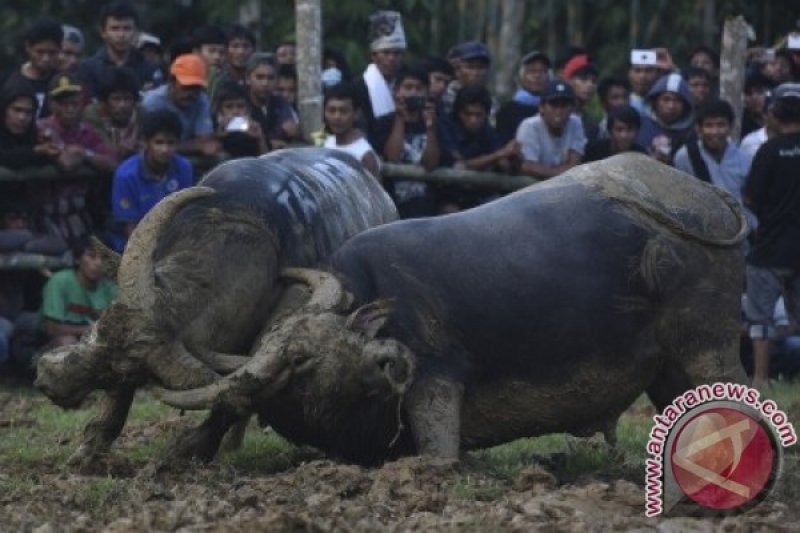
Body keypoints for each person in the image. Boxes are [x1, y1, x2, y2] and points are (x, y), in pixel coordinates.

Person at [742, 83, 800, 389]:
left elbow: (750, 199)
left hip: (770, 251)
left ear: (774, 113)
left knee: (760, 320)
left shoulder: (767, 151)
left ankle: (760, 378)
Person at [110, 110, 193, 252]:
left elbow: (185, 214)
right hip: (133, 245)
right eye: (158, 143)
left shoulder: (184, 167)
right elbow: (130, 228)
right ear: (146, 142)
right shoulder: (126, 175)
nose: (165, 149)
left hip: (173, 239)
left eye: (170, 143)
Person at [371, 65, 449, 217]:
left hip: (426, 207)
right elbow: (392, 158)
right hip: (392, 206)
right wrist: (400, 118)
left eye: (419, 88)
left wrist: (430, 128)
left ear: (426, 93)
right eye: (408, 87)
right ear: (397, 91)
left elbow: (431, 165)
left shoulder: (437, 124)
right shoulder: (384, 123)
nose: (413, 93)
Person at [673, 99, 754, 230]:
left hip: (738, 230)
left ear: (730, 127)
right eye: (709, 126)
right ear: (698, 129)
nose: (715, 132)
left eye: (721, 125)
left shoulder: (744, 158)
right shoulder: (685, 156)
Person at [439, 84, 517, 212]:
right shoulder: (446, 126)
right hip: (450, 196)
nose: (473, 120)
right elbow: (461, 166)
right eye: (468, 114)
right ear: (459, 112)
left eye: (478, 115)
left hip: (481, 196)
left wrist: (513, 156)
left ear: (486, 114)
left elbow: (504, 164)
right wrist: (498, 155)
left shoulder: (488, 131)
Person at [39, 236, 117, 351]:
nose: (98, 263)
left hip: (95, 342)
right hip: (53, 344)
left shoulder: (109, 287)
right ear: (77, 259)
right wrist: (91, 329)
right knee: (69, 342)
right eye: (92, 256)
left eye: (104, 258)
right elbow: (52, 328)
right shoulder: (60, 281)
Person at [77, 1, 162, 98]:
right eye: (115, 28)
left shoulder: (149, 68)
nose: (121, 35)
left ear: (136, 32)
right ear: (103, 32)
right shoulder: (88, 69)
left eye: (127, 28)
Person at [141, 53, 219, 156]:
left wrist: (175, 147)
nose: (191, 93)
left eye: (196, 88)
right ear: (171, 82)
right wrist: (195, 146)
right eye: (186, 88)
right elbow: (146, 145)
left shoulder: (201, 99)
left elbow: (205, 140)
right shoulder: (152, 102)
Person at [38, 72, 117, 174]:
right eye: (63, 104)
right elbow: (66, 163)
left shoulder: (88, 131)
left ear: (81, 104)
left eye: (74, 103)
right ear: (51, 104)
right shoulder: (41, 128)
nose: (70, 109)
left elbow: (113, 163)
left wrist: (84, 153)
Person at [515, 79, 586, 179]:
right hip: (532, 186)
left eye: (564, 105)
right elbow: (528, 167)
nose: (559, 111)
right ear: (541, 107)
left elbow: (575, 163)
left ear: (572, 108)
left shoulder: (576, 122)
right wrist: (563, 173)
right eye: (554, 104)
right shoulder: (529, 126)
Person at [355, 10, 407, 141]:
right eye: (386, 53)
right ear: (373, 55)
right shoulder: (358, 86)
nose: (391, 58)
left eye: (397, 54)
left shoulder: (408, 83)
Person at [1, 18, 63, 119]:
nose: (46, 58)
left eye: (52, 53)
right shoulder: (6, 80)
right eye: (40, 52)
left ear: (60, 50)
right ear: (28, 47)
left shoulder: (63, 83)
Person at [322, 82, 381, 178]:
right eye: (332, 110)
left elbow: (373, 192)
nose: (337, 117)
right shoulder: (328, 142)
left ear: (356, 114)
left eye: (343, 111)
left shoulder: (364, 155)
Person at [0, 78, 61, 169]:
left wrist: (48, 146)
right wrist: (35, 152)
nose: (22, 117)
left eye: (28, 112)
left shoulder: (35, 135)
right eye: (17, 110)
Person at [82, 66, 140, 161]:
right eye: (116, 99)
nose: (122, 105)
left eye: (127, 98)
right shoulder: (92, 115)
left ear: (134, 101)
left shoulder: (141, 114)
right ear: (104, 102)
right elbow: (105, 150)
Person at [636, 72, 695, 163]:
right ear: (655, 101)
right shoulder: (639, 124)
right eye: (666, 99)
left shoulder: (691, 132)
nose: (671, 106)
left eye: (678, 100)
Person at [245, 53, 300, 150]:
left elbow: (289, 128)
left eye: (270, 78)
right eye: (259, 77)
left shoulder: (280, 103)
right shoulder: (239, 103)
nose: (265, 83)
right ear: (248, 79)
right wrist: (269, 142)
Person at [496, 50, 551, 144]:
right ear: (522, 77)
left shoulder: (554, 107)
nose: (537, 76)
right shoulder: (507, 111)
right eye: (531, 71)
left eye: (542, 71)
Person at [213, 80, 267, 157]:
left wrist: (260, 138)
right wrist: (219, 136)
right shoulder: (213, 125)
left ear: (248, 109)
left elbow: (265, 159)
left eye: (240, 106)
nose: (235, 111)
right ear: (220, 110)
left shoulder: (256, 124)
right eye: (229, 107)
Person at [441, 41, 493, 115]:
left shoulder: (490, 101)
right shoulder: (444, 97)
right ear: (457, 69)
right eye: (470, 67)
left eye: (481, 67)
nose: (476, 73)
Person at [562, 53, 600, 139]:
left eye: (593, 81)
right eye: (583, 79)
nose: (590, 85)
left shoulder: (591, 125)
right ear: (568, 80)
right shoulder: (554, 115)